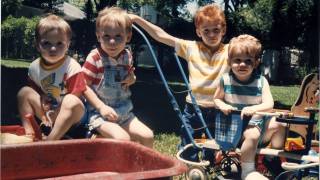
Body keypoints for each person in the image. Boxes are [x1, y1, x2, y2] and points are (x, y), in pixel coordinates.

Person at [129, 3, 230, 160]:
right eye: (206, 31)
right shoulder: (191, 48)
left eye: (216, 30)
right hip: (193, 108)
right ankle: (188, 166)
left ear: (223, 30)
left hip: (219, 108)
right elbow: (161, 36)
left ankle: (211, 167)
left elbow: (249, 48)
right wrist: (136, 19)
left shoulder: (231, 51)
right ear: (198, 32)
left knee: (215, 149)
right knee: (188, 145)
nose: (211, 35)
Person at [213, 34, 286, 180]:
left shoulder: (261, 81)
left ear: (256, 63)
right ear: (229, 61)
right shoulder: (226, 80)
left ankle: (272, 158)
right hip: (234, 127)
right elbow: (216, 99)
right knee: (252, 135)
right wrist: (223, 105)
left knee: (281, 123)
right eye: (237, 60)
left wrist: (254, 109)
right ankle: (248, 170)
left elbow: (269, 104)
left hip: (257, 123)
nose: (242, 65)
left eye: (248, 61)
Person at [82, 7, 154, 148]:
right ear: (98, 36)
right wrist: (101, 107)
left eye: (118, 36)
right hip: (99, 115)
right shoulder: (95, 57)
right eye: (106, 36)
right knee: (123, 139)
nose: (112, 42)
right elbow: (83, 85)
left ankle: (143, 169)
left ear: (128, 37)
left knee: (148, 136)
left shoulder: (127, 55)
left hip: (124, 113)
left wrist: (132, 78)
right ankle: (97, 139)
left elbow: (130, 74)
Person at [17, 14, 87, 140]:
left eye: (59, 43)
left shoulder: (72, 66)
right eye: (46, 43)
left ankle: (51, 140)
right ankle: (30, 132)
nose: (53, 48)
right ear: (38, 45)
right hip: (49, 113)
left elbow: (76, 95)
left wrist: (58, 111)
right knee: (24, 93)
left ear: (68, 45)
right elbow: (36, 92)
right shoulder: (34, 67)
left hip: (74, 118)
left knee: (70, 100)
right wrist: (43, 99)